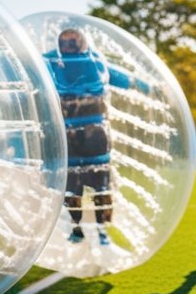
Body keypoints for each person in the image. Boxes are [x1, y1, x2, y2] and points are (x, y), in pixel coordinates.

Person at [43, 28, 141, 247]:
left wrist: (148, 87)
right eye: (65, 42)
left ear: (83, 43)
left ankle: (102, 230)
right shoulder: (51, 64)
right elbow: (32, 74)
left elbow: (122, 79)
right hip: (68, 138)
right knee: (71, 187)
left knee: (101, 184)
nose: (69, 46)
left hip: (95, 137)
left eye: (74, 42)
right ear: (59, 44)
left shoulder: (95, 63)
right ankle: (76, 227)